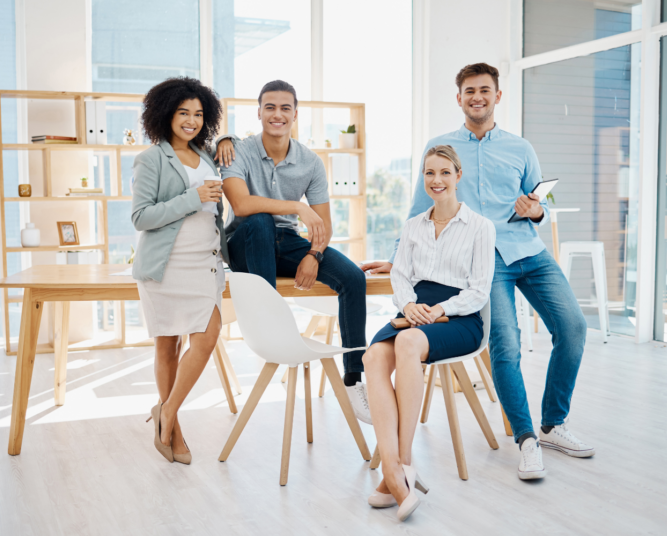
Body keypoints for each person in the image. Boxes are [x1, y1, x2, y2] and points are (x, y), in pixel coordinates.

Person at [361, 63, 595, 481]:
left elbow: (540, 201)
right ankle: (526, 440)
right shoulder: (442, 149)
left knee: (574, 327)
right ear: (459, 98)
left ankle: (553, 423)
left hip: (529, 250)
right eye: (469, 91)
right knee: (506, 344)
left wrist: (537, 210)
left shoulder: (521, 148)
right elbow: (419, 212)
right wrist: (399, 259)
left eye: (485, 90)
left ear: (497, 96)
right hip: (487, 262)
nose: (477, 97)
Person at [215, 80, 372, 423]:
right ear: (258, 113)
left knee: (352, 278)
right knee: (258, 219)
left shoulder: (310, 162)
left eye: (285, 108)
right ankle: (271, 336)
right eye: (270, 107)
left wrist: (313, 256)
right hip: (245, 238)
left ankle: (354, 377)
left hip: (289, 242)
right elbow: (240, 205)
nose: (277, 114)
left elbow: (323, 225)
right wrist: (297, 208)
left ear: (295, 115)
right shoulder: (235, 151)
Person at [363, 145, 495, 521]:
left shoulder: (480, 227)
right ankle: (395, 470)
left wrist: (440, 309)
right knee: (372, 356)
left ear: (458, 176)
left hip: (460, 317)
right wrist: (408, 306)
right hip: (416, 311)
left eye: (444, 173)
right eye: (429, 174)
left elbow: (479, 290)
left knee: (406, 342)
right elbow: (401, 276)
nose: (436, 181)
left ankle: (400, 466)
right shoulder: (413, 226)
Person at [131, 77, 229, 464]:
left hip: (203, 261)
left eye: (199, 114)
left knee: (207, 335)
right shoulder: (151, 158)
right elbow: (141, 216)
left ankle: (166, 411)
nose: (191, 120)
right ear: (165, 114)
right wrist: (193, 198)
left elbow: (230, 151)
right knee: (167, 344)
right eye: (183, 113)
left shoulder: (207, 154)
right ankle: (175, 429)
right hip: (166, 265)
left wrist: (228, 140)